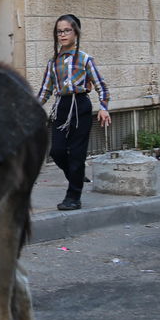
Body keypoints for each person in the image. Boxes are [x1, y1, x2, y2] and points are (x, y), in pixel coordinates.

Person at [36, 15, 111, 210]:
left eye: (67, 30)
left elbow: (101, 86)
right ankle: (76, 174)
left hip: (80, 107)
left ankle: (73, 198)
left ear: (76, 33)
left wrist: (103, 108)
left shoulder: (85, 59)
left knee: (77, 154)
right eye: (59, 31)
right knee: (57, 151)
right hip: (61, 106)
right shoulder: (53, 62)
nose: (62, 35)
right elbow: (45, 90)